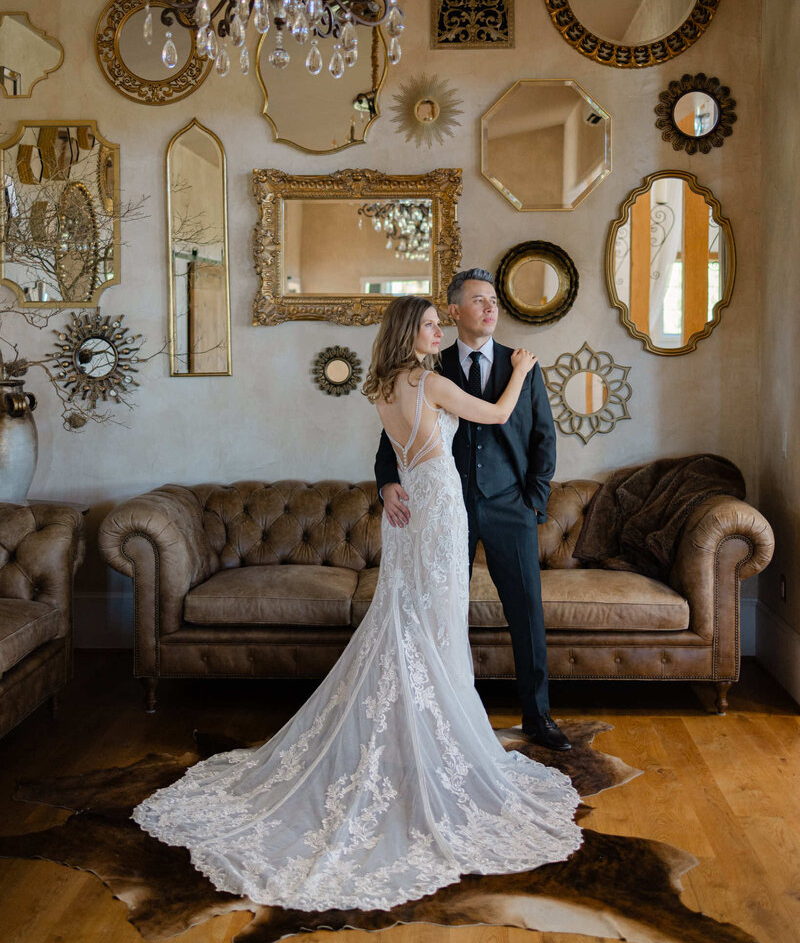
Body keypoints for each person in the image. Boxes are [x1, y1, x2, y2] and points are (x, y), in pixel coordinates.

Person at [132, 295, 581, 913]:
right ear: (410, 332)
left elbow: (399, 449)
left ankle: (412, 732)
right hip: (441, 508)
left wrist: (392, 481)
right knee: (435, 619)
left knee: (408, 616)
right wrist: (524, 371)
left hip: (411, 510)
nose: (438, 330)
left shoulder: (381, 385)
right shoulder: (428, 379)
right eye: (429, 324)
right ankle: (432, 740)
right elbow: (501, 414)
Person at [375, 270, 570, 751]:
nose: (489, 308)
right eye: (478, 301)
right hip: (443, 510)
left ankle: (538, 717)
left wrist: (533, 503)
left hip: (510, 508)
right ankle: (446, 719)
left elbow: (543, 438)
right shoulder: (430, 368)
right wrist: (386, 484)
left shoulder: (522, 365)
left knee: (526, 612)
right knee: (441, 611)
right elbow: (391, 439)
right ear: (455, 310)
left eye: (493, 302)